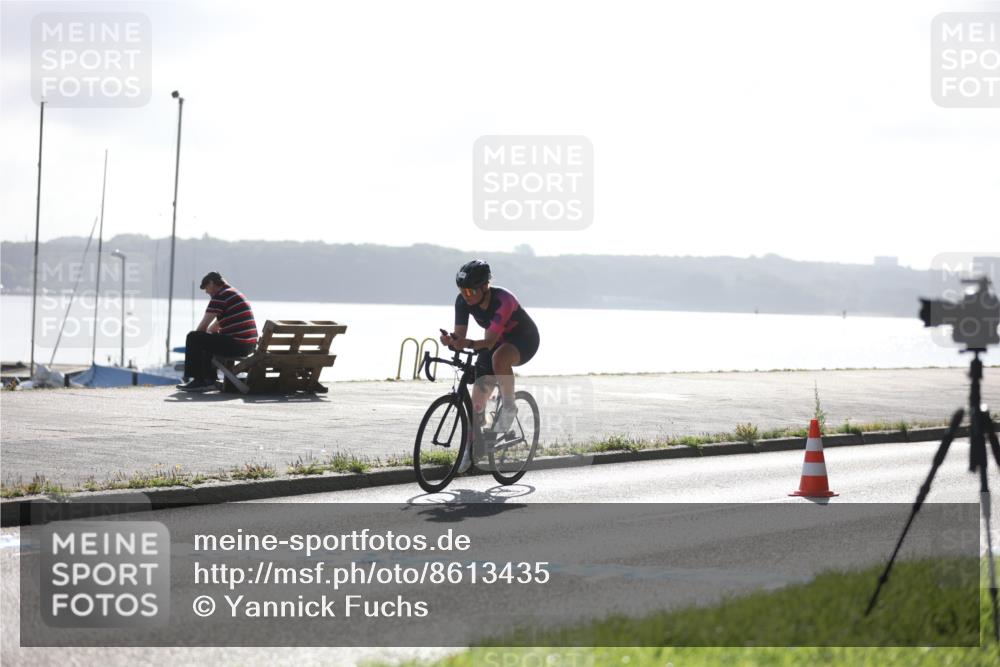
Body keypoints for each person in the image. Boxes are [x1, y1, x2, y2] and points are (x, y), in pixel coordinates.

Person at [439, 259, 540, 472]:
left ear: (485, 287)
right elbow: (462, 336)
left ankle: (510, 406)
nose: (466, 295)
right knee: (477, 399)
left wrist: (465, 344)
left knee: (499, 358)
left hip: (524, 339)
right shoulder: (462, 301)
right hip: (495, 341)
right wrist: (452, 341)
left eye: (470, 291)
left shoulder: (503, 300)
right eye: (462, 291)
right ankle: (473, 446)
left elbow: (490, 342)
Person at [177, 272, 258, 392]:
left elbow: (202, 328)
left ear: (211, 283)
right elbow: (214, 327)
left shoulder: (220, 296)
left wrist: (201, 338)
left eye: (206, 288)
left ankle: (199, 381)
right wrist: (208, 335)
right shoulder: (233, 293)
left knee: (193, 337)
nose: (206, 292)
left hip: (237, 344)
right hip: (249, 346)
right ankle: (209, 380)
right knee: (209, 338)